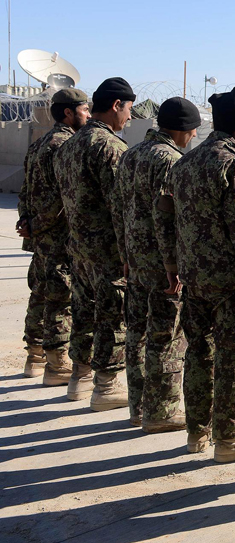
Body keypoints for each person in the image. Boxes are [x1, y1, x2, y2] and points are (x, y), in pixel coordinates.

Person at [162, 87, 235, 459]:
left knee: (198, 353)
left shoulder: (184, 163)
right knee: (234, 358)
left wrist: (173, 267)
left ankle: (197, 433)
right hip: (230, 283)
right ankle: (229, 439)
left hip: (195, 281)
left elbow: (166, 220)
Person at [114, 98, 199, 431]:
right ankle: (161, 412)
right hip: (163, 268)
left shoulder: (130, 155)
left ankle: (137, 407)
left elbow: (118, 210)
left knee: (137, 334)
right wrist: (173, 265)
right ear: (181, 130)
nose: (193, 137)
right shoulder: (171, 161)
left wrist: (123, 255)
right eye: (192, 131)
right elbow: (169, 219)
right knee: (166, 336)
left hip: (135, 261)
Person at [55, 78, 134, 411]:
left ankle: (80, 378)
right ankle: (106, 385)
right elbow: (121, 206)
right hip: (108, 251)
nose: (129, 117)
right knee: (112, 316)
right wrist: (131, 253)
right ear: (116, 105)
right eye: (128, 110)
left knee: (84, 313)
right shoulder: (110, 147)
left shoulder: (68, 146)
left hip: (79, 248)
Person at [16, 89, 89, 384]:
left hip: (41, 235)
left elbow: (27, 190)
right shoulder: (66, 146)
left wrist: (27, 221)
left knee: (41, 293)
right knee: (61, 297)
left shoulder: (39, 144)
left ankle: (34, 356)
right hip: (58, 236)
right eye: (84, 110)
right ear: (68, 113)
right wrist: (38, 223)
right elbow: (60, 198)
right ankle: (56, 365)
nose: (88, 114)